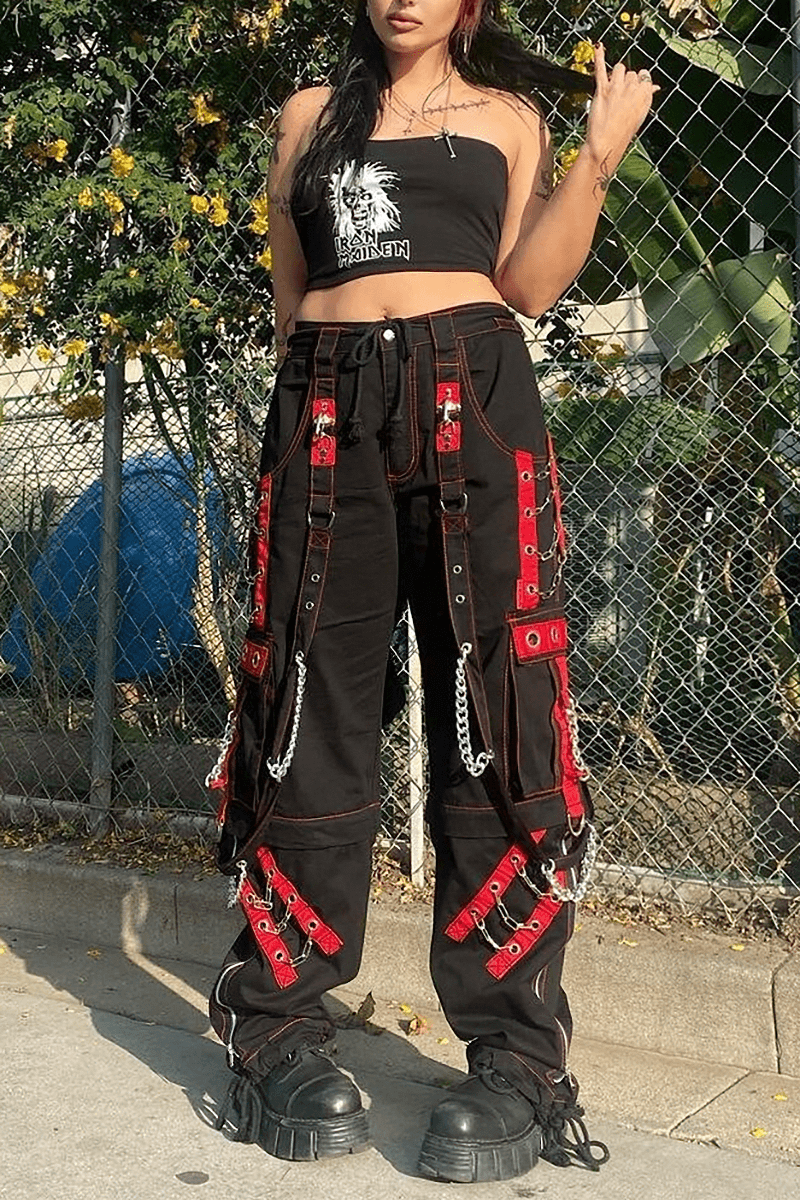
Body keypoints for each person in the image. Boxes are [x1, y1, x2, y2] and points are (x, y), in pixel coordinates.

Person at [206, 0, 658, 1184]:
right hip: (324, 418)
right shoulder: (306, 117)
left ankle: (517, 1060)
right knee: (304, 704)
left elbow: (528, 282)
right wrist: (337, 390)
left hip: (478, 410)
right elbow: (290, 296)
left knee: (498, 715)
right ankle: (276, 1030)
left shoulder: (509, 118)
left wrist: (597, 156)